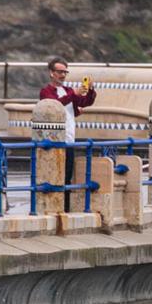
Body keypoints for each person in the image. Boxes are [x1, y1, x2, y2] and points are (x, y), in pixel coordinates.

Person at [39, 57, 97, 212]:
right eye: (59, 72)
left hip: (69, 139)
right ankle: (55, 208)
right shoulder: (46, 91)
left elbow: (84, 102)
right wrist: (74, 95)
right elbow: (55, 104)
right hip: (54, 140)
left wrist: (90, 90)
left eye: (65, 72)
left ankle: (65, 209)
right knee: (55, 176)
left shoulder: (68, 90)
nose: (63, 75)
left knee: (67, 175)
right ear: (51, 73)